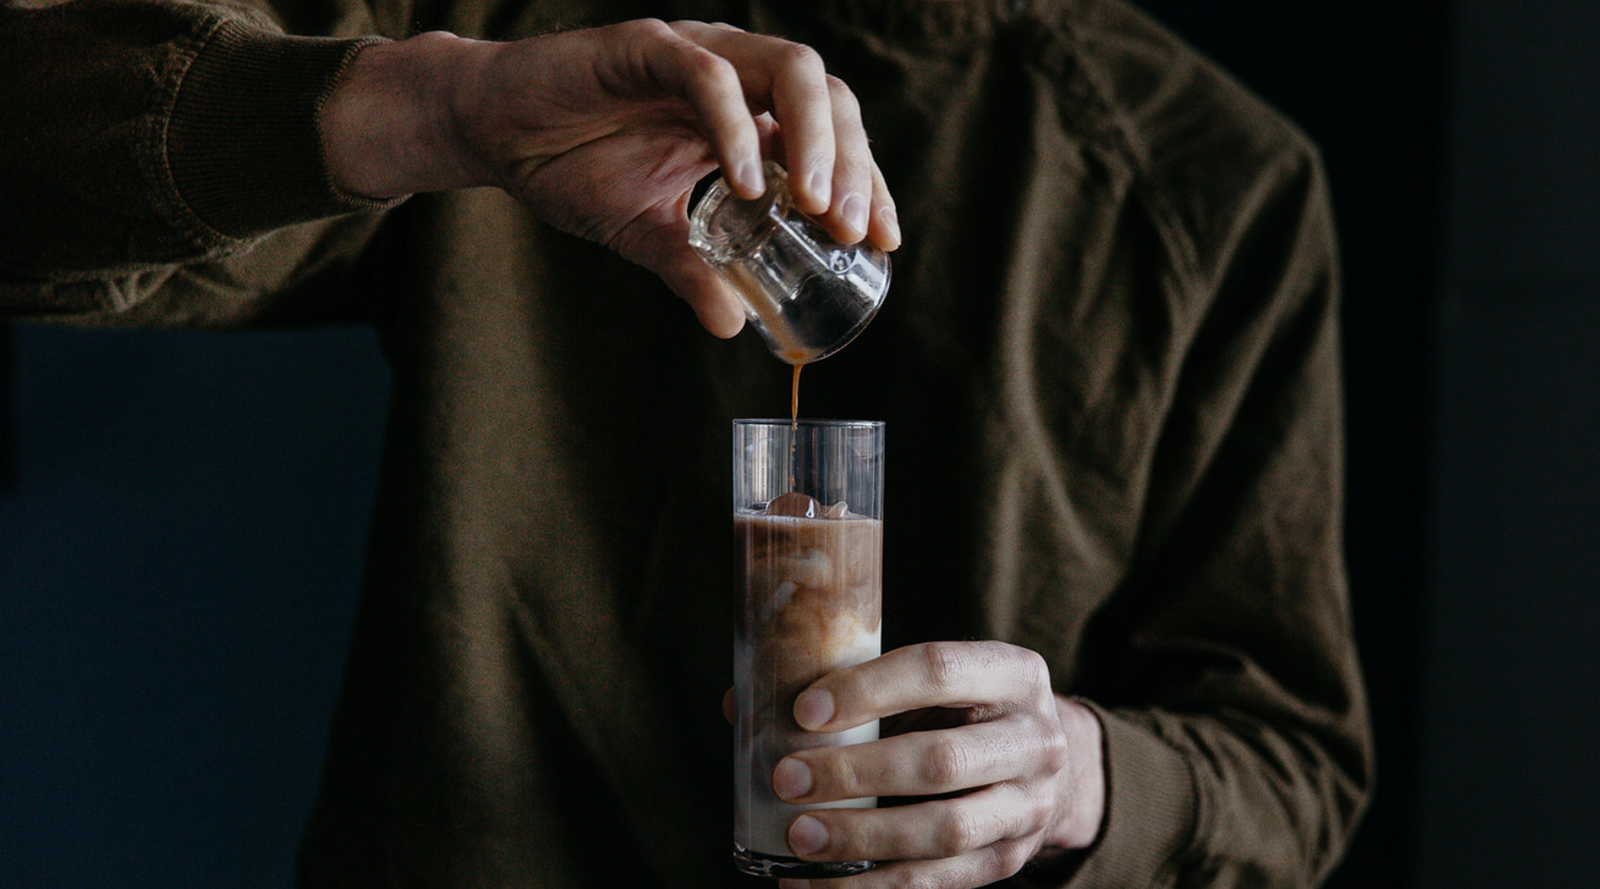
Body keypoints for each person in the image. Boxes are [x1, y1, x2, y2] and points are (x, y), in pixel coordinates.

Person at [0, 0, 1373, 886]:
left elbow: (1294, 766)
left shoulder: (1213, 183)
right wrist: (436, 109)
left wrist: (1073, 777)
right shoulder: (521, 42)